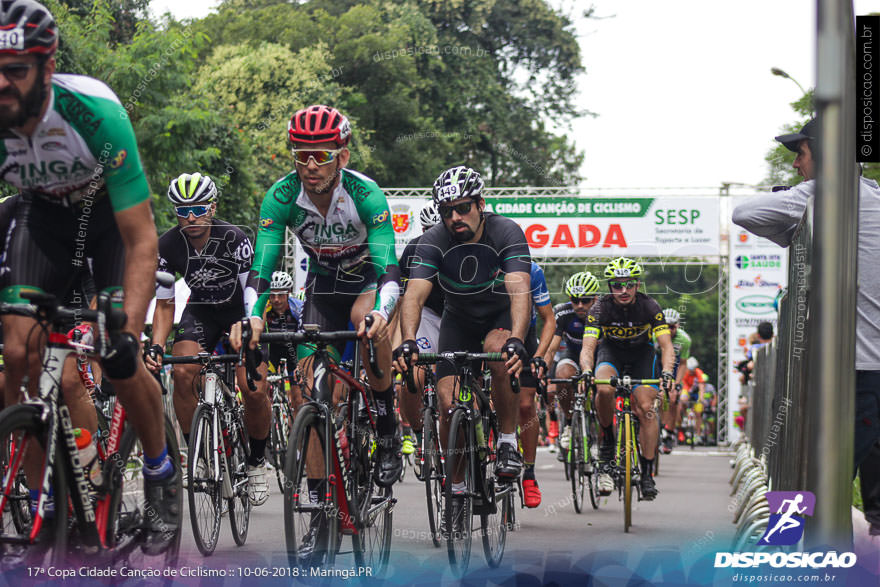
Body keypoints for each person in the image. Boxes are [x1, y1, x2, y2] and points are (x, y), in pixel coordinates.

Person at [0, 0, 175, 553]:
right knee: (17, 352)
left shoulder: (95, 113)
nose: (1, 84)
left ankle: (159, 472)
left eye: (16, 70)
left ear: (47, 69)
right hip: (41, 219)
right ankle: (48, 498)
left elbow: (142, 237)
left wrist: (130, 328)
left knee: (118, 358)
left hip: (107, 225)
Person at [231, 105, 403, 492]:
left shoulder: (365, 195)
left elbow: (389, 268)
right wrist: (253, 316)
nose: (310, 166)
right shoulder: (281, 196)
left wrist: (382, 312)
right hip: (322, 289)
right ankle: (317, 502)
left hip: (365, 284)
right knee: (304, 398)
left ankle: (387, 422)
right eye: (300, 156)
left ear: (342, 156)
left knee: (368, 324)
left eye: (321, 156)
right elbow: (262, 268)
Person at [732, 118, 880, 535]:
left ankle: (789, 554)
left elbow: (744, 213)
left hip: (850, 372)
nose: (797, 165)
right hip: (865, 369)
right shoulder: (870, 196)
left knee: (820, 486)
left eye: (802, 154)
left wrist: (798, 197)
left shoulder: (824, 193)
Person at [394, 165, 531, 530]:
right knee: (446, 401)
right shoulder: (434, 240)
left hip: (498, 316)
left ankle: (505, 442)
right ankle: (455, 490)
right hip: (458, 321)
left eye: (463, 208)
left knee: (500, 353)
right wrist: (408, 340)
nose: (455, 217)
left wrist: (518, 337)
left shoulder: (506, 231)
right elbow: (415, 294)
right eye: (446, 210)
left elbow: (519, 286)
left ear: (481, 204)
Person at [144, 172, 272, 506]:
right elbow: (165, 303)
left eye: (199, 208)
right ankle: (199, 453)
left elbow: (253, 289)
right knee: (183, 373)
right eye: (182, 210)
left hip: (239, 309)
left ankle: (257, 461)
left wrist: (247, 323)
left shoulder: (234, 237)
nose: (191, 217)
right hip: (200, 311)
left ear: (213, 207)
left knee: (253, 387)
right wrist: (157, 345)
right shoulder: (167, 245)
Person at [578, 257, 675, 500]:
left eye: (629, 285)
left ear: (637, 285)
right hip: (612, 354)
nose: (623, 291)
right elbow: (588, 347)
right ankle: (608, 440)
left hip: (642, 356)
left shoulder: (650, 307)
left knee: (645, 408)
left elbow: (666, 346)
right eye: (617, 285)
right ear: (609, 287)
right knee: (603, 389)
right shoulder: (599, 308)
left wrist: (666, 374)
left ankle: (647, 472)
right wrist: (587, 371)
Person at [394, 201, 443, 458]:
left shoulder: (462, 245)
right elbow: (402, 301)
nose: (432, 236)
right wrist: (400, 341)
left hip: (461, 313)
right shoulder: (413, 249)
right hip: (428, 313)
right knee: (412, 375)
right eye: (427, 230)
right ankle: (419, 433)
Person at [543, 271, 600, 459]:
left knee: (603, 390)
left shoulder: (603, 312)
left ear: (596, 299)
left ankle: (600, 432)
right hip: (573, 355)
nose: (580, 305)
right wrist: (542, 371)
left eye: (586, 300)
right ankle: (568, 423)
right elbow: (551, 349)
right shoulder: (563, 312)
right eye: (576, 300)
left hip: (599, 357)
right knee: (563, 373)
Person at [518, 261, 556, 508]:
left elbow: (548, 319)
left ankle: (529, 474)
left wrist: (539, 355)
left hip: (524, 335)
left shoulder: (532, 270)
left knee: (524, 404)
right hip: (482, 329)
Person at [656, 308, 692, 453]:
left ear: (677, 326)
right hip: (657, 365)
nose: (669, 330)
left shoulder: (684, 340)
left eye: (672, 327)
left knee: (672, 398)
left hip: (675, 368)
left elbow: (683, 364)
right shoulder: (654, 335)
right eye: (666, 326)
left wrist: (676, 384)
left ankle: (669, 433)